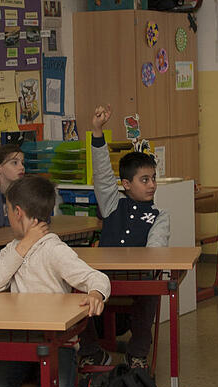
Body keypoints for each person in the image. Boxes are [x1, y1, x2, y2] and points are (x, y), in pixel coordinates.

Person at [0, 175, 110, 387]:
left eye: (7, 209)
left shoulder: (54, 249)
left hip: (58, 344)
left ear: (17, 213)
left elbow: (97, 277)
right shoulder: (12, 249)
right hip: (23, 343)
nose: (6, 215)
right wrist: (24, 244)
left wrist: (95, 292)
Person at [75, 104, 169, 369]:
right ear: (126, 184)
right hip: (103, 276)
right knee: (74, 291)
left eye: (153, 179)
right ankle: (92, 351)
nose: (152, 185)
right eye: (144, 180)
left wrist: (147, 263)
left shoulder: (159, 215)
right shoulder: (113, 203)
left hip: (138, 276)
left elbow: (157, 247)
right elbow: (103, 174)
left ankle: (137, 354)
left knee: (150, 292)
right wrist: (97, 131)